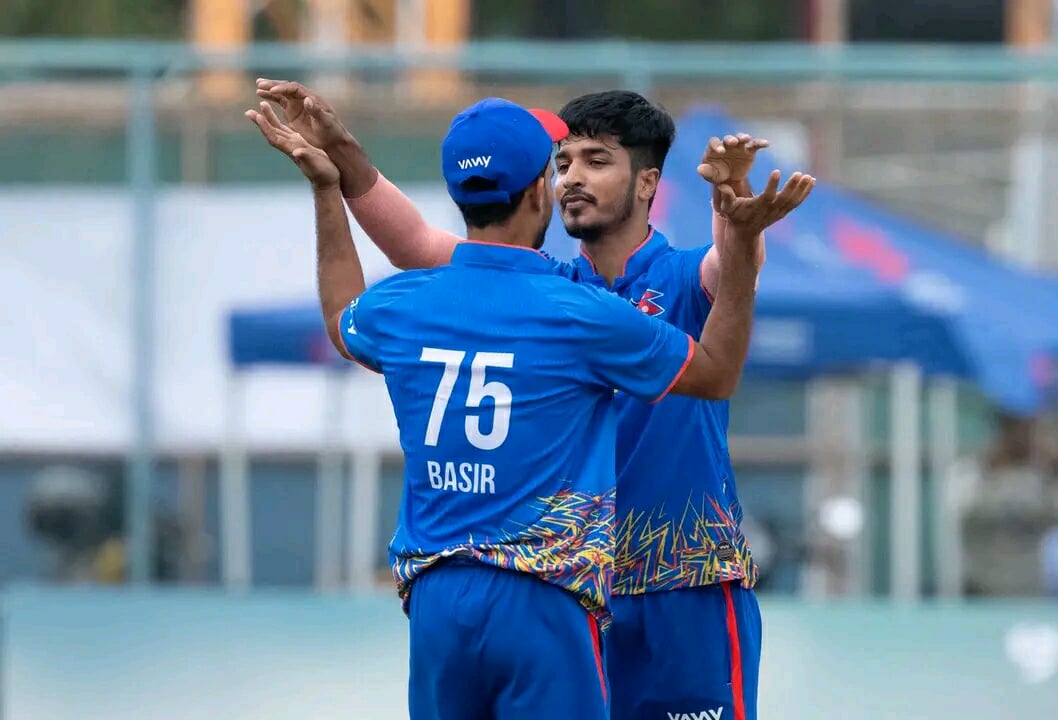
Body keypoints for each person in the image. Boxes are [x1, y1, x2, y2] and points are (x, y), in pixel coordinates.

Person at [253, 82, 813, 720]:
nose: (573, 177)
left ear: (648, 183)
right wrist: (343, 156)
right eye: (563, 162)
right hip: (576, 591)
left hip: (684, 584)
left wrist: (734, 211)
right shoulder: (553, 290)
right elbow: (415, 244)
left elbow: (733, 265)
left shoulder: (681, 275)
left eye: (597, 161)